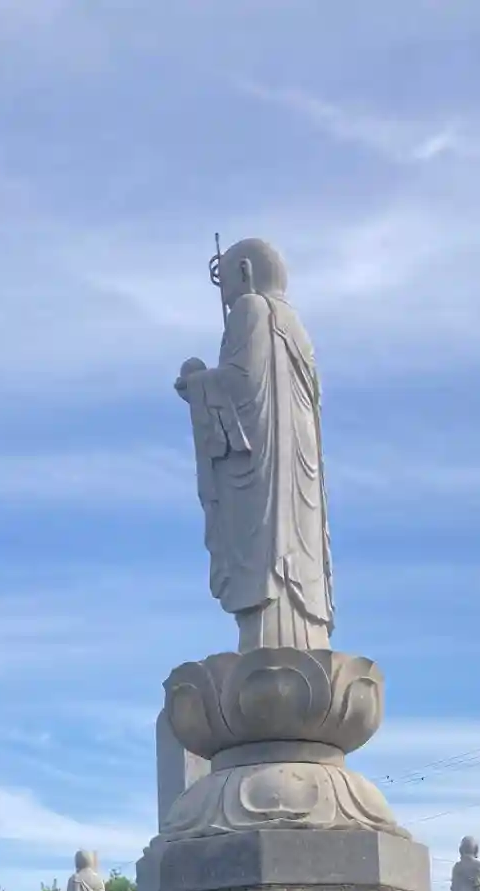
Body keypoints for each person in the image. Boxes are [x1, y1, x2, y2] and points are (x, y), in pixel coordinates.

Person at [175, 238, 333, 650]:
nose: (227, 300)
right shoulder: (297, 328)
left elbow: (242, 384)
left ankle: (269, 639)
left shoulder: (250, 309)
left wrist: (197, 383)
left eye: (225, 284)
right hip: (296, 471)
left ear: (244, 271)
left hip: (265, 468)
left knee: (264, 549)